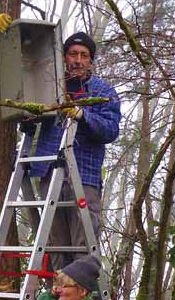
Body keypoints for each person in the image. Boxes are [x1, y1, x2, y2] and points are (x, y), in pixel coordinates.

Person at [20, 30, 122, 271]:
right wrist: (2, 38)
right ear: (64, 57)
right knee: (54, 245)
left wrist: (83, 115)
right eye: (73, 54)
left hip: (83, 176)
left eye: (84, 55)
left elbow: (110, 130)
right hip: (48, 173)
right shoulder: (49, 87)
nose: (78, 60)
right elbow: (19, 80)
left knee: (82, 245)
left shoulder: (102, 91)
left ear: (91, 60)